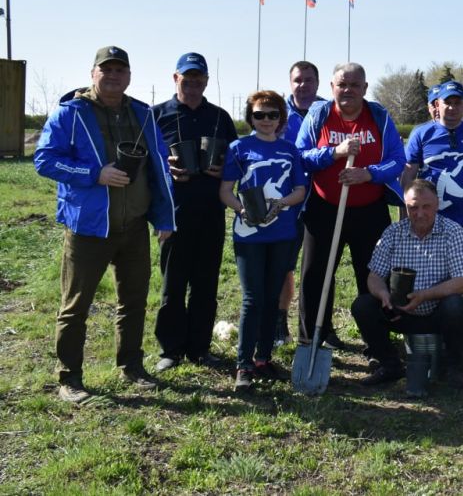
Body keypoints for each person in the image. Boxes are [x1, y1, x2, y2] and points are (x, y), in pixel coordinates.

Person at [34, 46, 175, 403]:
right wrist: (94, 174)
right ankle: (69, 378)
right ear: (92, 73)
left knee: (134, 300)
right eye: (106, 69)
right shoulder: (72, 113)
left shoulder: (142, 114)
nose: (113, 76)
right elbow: (45, 160)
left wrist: (164, 217)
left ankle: (130, 365)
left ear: (129, 75)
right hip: (89, 228)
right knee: (75, 305)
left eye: (120, 70)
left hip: (134, 227)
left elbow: (158, 167)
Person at [295, 62, 405, 349]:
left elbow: (397, 159)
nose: (348, 90)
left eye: (355, 85)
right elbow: (301, 156)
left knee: (372, 275)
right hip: (324, 207)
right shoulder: (319, 115)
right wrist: (334, 153)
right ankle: (313, 339)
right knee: (315, 274)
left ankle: (376, 343)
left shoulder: (378, 116)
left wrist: (369, 173)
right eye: (342, 84)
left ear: (365, 88)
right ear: (332, 87)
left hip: (370, 209)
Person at [152, 52, 238, 372]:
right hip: (172, 214)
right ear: (175, 78)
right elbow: (144, 162)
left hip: (211, 213)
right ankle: (171, 349)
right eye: (186, 80)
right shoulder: (157, 115)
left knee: (206, 285)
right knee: (173, 285)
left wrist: (223, 169)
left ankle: (200, 348)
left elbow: (237, 159)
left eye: (198, 80)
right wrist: (167, 168)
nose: (192, 86)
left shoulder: (219, 117)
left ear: (206, 81)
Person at [351, 179, 463, 389]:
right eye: (413, 207)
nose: (419, 213)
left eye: (426, 207)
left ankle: (454, 366)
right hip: (401, 312)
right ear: (405, 206)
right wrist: (383, 295)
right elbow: (373, 276)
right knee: (362, 305)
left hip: (439, 313)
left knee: (456, 305)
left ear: (437, 204)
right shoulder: (393, 232)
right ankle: (390, 364)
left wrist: (425, 295)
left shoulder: (453, 231)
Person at [220, 91, 306, 391]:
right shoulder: (238, 148)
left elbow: (300, 190)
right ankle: (243, 365)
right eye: (260, 114)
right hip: (250, 234)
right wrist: (243, 209)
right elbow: (225, 191)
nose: (266, 120)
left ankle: (263, 358)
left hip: (282, 233)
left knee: (272, 298)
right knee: (252, 298)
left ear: (281, 118)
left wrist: (281, 205)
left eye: (272, 114)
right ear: (250, 117)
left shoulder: (289, 150)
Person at [402, 81, 463, 316]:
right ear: (438, 104)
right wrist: (405, 215)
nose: (453, 107)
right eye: (448, 102)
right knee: (430, 273)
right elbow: (407, 176)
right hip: (431, 221)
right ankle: (433, 325)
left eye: (458, 103)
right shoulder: (422, 134)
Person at [274, 60, 327, 346]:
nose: (303, 85)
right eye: (298, 80)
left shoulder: (329, 111)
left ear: (318, 83)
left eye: (309, 80)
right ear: (290, 82)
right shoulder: (277, 111)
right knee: (284, 264)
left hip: (321, 198)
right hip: (287, 201)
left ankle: (320, 325)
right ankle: (279, 321)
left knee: (318, 267)